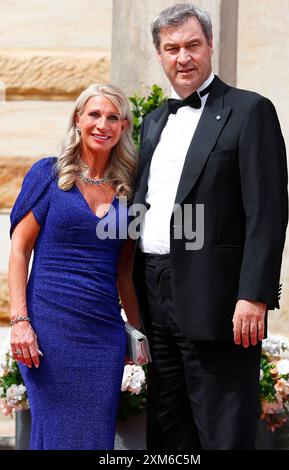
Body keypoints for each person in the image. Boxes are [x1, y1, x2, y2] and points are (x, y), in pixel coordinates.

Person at [132, 3, 288, 450]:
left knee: (223, 430)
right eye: (172, 48)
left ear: (210, 46)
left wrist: (254, 295)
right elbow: (147, 205)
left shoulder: (249, 111)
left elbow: (267, 212)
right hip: (153, 292)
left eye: (192, 45)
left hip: (219, 301)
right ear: (160, 55)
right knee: (167, 427)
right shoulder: (155, 120)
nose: (183, 57)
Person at [9, 83, 140, 450]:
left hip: (103, 337)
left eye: (113, 117)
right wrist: (20, 322)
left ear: (123, 127)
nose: (103, 124)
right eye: (95, 114)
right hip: (49, 331)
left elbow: (124, 272)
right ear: (78, 120)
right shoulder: (48, 175)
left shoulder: (127, 192)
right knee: (53, 434)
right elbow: (19, 250)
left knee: (96, 438)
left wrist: (138, 331)